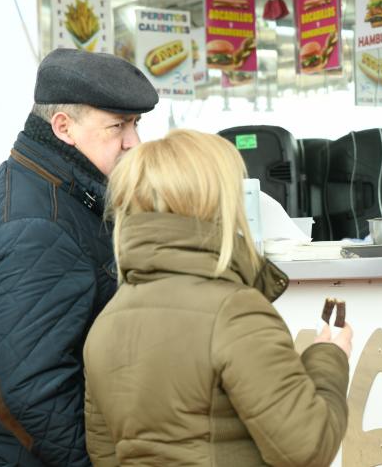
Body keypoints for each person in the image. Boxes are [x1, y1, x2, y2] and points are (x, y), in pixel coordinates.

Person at [83, 129, 352, 467]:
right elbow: (307, 448)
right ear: (214, 199)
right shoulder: (235, 312)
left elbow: (104, 455)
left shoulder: (106, 323)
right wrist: (328, 359)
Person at [0, 48, 158, 466]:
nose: (134, 142)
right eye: (118, 126)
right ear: (63, 127)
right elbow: (25, 387)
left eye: (136, 124)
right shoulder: (37, 223)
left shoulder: (52, 188)